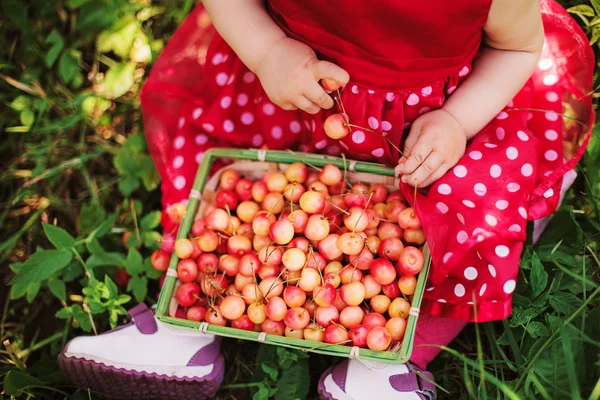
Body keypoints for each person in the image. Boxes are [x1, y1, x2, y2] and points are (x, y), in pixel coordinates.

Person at [58, 0, 593, 399]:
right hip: (287, 94)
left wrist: (457, 120)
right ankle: (183, 322)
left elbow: (518, 47)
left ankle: (387, 362)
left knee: (464, 215)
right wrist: (267, 49)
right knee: (237, 186)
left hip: (430, 122)